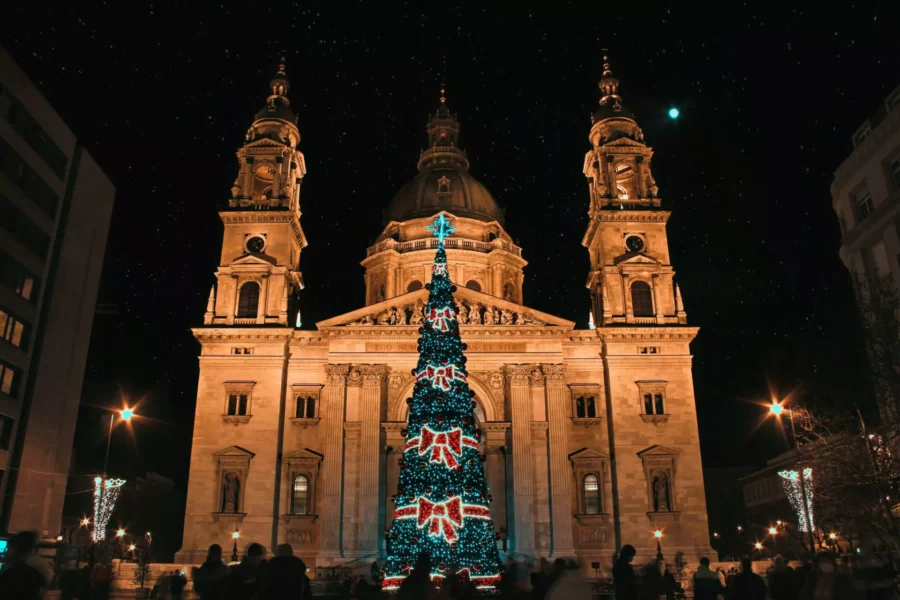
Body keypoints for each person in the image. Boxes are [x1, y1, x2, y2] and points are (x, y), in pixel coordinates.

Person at [0, 531, 51, 600]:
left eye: (8, 548)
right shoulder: (34, 566)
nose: (6, 552)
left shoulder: (19, 572)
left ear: (16, 549)